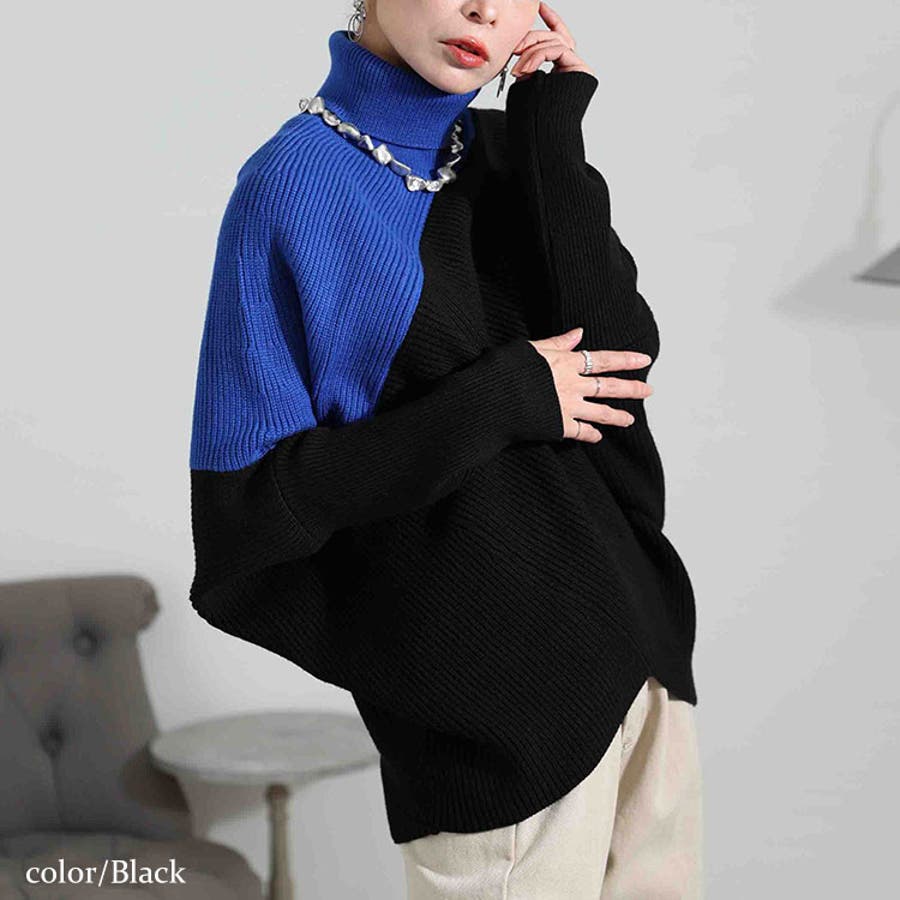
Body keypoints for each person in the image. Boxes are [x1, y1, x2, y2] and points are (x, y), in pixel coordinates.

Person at [188, 0, 703, 896]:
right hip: (496, 725)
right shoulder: (293, 185)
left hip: (641, 671)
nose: (484, 11)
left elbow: (622, 363)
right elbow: (252, 505)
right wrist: (501, 399)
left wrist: (552, 128)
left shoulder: (509, 150)